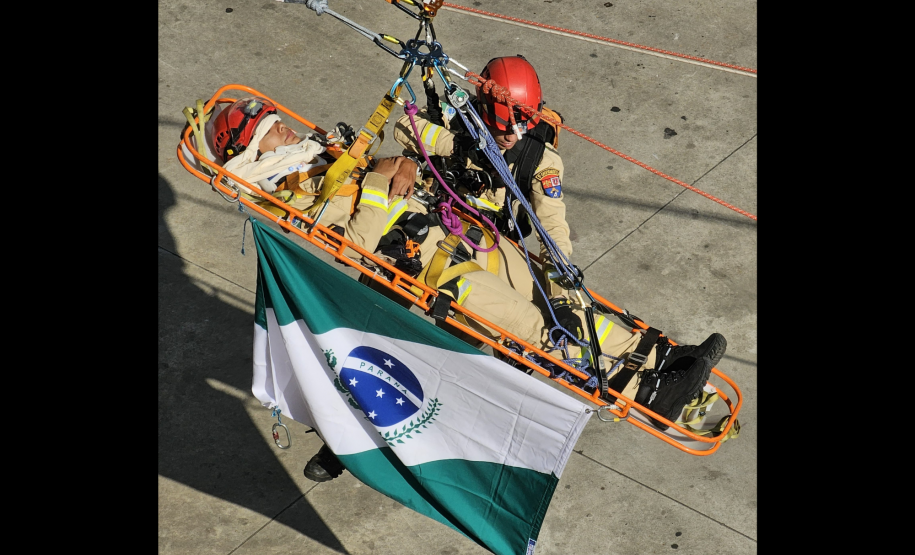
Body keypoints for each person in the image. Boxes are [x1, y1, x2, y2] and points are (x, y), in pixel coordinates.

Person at [209, 97, 727, 484]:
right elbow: (357, 243)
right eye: (268, 130)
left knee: (565, 297)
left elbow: (397, 168)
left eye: (274, 122)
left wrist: (401, 166)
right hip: (439, 270)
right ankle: (650, 394)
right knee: (536, 334)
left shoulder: (316, 153)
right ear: (250, 150)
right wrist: (383, 177)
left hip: (465, 235)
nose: (281, 127)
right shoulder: (283, 190)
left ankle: (663, 356)